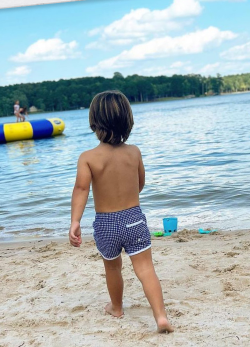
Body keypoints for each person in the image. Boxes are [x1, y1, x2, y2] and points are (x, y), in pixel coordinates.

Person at [68, 90, 172, 332]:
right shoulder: (134, 152)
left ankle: (116, 307)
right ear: (128, 120)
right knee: (146, 268)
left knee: (113, 267)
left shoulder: (88, 157)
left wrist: (75, 221)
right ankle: (161, 317)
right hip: (134, 218)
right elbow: (140, 184)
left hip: (106, 223)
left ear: (94, 122)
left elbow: (81, 189)